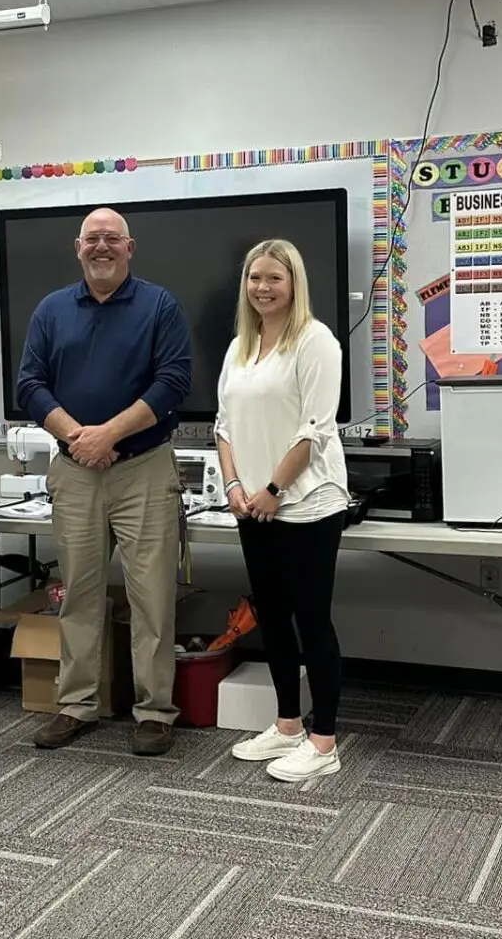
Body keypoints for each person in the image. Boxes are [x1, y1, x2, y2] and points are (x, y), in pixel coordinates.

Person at [15, 207, 191, 756]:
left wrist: (106, 434)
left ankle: (155, 711)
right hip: (75, 474)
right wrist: (77, 437)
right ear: (77, 247)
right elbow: (29, 384)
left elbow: (174, 381)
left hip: (143, 469)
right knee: (79, 595)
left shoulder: (160, 305)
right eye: (93, 239)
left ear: (130, 247)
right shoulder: (50, 309)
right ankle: (76, 706)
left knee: (153, 599)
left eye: (112, 239)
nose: (102, 248)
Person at [212, 239, 348, 783]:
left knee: (311, 619)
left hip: (307, 502)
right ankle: (288, 723)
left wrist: (272, 488)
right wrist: (235, 486)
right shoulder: (239, 348)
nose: (262, 288)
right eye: (254, 278)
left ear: (294, 284)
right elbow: (224, 427)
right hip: (252, 503)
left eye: (274, 278)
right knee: (271, 616)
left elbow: (314, 429)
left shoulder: (316, 342)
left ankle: (324, 741)